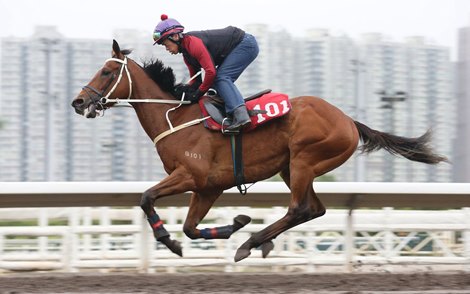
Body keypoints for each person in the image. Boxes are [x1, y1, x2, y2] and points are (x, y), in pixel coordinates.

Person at [153, 14, 259, 132]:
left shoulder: (193, 44)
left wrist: (199, 93)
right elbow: (196, 81)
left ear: (175, 36)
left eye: (166, 44)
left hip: (246, 44)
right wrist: (186, 93)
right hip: (236, 47)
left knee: (220, 78)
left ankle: (241, 115)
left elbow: (210, 72)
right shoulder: (187, 55)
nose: (167, 49)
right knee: (214, 85)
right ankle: (231, 113)